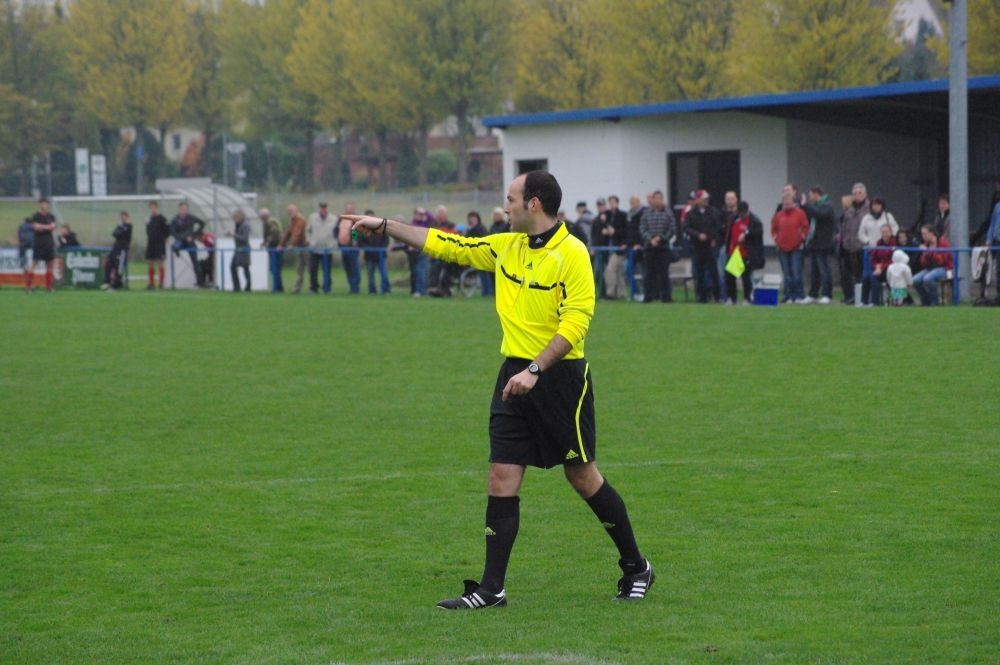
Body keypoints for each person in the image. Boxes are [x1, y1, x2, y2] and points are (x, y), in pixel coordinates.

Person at [344, 170, 654, 610]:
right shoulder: (506, 246)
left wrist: (535, 369)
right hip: (513, 376)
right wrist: (386, 226)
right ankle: (491, 590)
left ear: (533, 203)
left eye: (510, 198)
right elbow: (449, 244)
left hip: (560, 379)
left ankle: (637, 567)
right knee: (501, 476)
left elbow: (576, 323)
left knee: (582, 477)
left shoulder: (573, 253)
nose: (504, 206)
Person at [684, 189, 723, 303]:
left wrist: (714, 239)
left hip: (710, 246)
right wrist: (697, 235)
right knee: (699, 273)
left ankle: (717, 296)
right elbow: (686, 228)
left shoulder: (714, 212)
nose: (706, 200)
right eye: (704, 199)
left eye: (707, 198)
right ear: (697, 200)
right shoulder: (691, 213)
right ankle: (702, 297)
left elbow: (718, 227)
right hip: (697, 246)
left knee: (713, 272)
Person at [638, 190, 676, 303]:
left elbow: (672, 229)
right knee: (648, 273)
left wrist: (661, 238)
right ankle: (648, 296)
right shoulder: (646, 213)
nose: (658, 201)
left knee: (664, 273)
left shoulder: (668, 213)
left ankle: (665, 297)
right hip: (649, 247)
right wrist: (650, 239)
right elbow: (642, 228)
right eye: (656, 198)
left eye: (660, 198)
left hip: (663, 247)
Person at [800, 186, 836, 304]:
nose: (810, 198)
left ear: (816, 194)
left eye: (811, 195)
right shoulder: (814, 206)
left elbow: (819, 214)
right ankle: (813, 294)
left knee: (824, 270)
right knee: (814, 271)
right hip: (813, 243)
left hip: (823, 244)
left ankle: (827, 294)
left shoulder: (827, 205)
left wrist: (806, 205)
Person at [771, 193, 809, 303]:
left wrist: (801, 238)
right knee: (787, 274)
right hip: (782, 248)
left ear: (793, 203)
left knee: (796, 273)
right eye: (785, 203)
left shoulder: (800, 213)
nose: (787, 205)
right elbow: (774, 229)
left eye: (789, 203)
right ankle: (788, 296)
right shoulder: (779, 215)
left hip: (796, 248)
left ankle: (799, 295)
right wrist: (777, 239)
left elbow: (805, 227)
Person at [839, 183, 870, 304]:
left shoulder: (869, 209)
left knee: (862, 275)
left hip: (863, 247)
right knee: (847, 274)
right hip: (849, 247)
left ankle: (900, 299)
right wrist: (844, 241)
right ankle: (851, 297)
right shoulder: (849, 210)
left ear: (865, 194)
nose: (857, 195)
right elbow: (844, 227)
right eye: (855, 193)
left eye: (860, 193)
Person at [912, 224, 953, 306]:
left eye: (925, 234)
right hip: (930, 268)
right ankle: (926, 301)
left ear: (932, 233)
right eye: (922, 234)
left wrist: (930, 251)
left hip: (944, 268)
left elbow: (941, 261)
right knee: (915, 280)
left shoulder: (942, 242)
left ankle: (935, 301)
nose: (923, 236)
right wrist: (925, 254)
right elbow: (923, 263)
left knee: (928, 278)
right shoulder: (926, 244)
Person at [725, 201, 755, 305]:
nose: (742, 215)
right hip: (734, 252)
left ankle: (747, 298)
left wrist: (746, 235)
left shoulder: (752, 221)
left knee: (746, 277)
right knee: (729, 276)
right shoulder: (735, 219)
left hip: (746, 253)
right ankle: (731, 298)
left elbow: (756, 232)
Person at [24, 197, 57, 293]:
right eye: (43, 203)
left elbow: (53, 227)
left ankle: (49, 287)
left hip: (49, 243)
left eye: (46, 203)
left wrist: (42, 227)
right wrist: (46, 227)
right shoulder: (36, 216)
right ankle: (28, 287)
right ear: (39, 205)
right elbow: (35, 226)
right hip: (39, 243)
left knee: (50, 265)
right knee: (34, 264)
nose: (45, 205)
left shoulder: (51, 216)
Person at [170, 202, 206, 287]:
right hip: (181, 241)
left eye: (186, 209)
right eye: (182, 209)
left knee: (195, 262)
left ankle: (200, 282)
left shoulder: (191, 217)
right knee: (174, 247)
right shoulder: (174, 220)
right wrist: (183, 237)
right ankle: (177, 251)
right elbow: (173, 233)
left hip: (190, 242)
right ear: (179, 209)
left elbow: (202, 223)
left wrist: (194, 235)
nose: (184, 211)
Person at [600, 195, 630, 300]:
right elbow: (602, 227)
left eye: (613, 202)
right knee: (619, 272)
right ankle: (622, 294)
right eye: (610, 202)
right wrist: (605, 228)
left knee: (610, 270)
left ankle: (611, 293)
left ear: (617, 203)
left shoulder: (623, 215)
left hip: (619, 248)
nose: (611, 204)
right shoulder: (607, 215)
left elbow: (626, 231)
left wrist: (615, 231)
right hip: (609, 248)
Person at [861, 224, 896, 306]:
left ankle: (875, 302)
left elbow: (893, 259)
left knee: (874, 277)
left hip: (890, 270)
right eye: (883, 232)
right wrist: (877, 266)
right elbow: (873, 258)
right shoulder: (879, 243)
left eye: (886, 232)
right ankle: (863, 302)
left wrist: (881, 267)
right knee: (866, 277)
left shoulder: (894, 243)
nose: (884, 234)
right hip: (879, 269)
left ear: (891, 232)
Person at [307, 202, 338, 294]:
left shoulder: (334, 219)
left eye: (325, 208)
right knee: (312, 269)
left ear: (327, 208)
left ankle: (327, 288)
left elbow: (337, 232)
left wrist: (334, 243)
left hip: (327, 249)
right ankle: (314, 288)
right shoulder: (312, 217)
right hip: (315, 248)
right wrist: (308, 240)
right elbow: (307, 230)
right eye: (321, 208)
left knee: (327, 270)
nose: (323, 210)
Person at [360, 208, 391, 295]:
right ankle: (372, 290)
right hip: (369, 256)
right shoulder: (362, 229)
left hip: (381, 255)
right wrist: (368, 248)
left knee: (384, 273)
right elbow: (360, 242)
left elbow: (386, 240)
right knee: (370, 274)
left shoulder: (381, 227)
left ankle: (386, 290)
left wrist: (382, 248)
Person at [278, 204, 308, 294]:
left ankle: (313, 288)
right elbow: (288, 233)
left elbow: (298, 233)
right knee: (299, 269)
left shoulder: (300, 219)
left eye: (291, 211)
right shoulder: (292, 221)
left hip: (305, 247)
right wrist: (281, 244)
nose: (290, 213)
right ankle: (297, 289)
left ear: (296, 210)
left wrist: (292, 244)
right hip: (299, 247)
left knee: (310, 268)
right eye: (289, 211)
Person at [463, 211, 493, 296]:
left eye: (473, 218)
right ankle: (485, 291)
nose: (471, 220)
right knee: (482, 274)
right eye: (470, 218)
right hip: (477, 255)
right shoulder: (470, 230)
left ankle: (488, 291)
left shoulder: (481, 229)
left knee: (485, 274)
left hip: (483, 254)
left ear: (477, 219)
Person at [102, 210, 132, 290]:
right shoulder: (120, 225)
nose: (122, 218)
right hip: (115, 249)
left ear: (127, 217)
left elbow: (121, 233)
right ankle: (107, 282)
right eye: (121, 217)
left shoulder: (129, 226)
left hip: (123, 250)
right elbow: (114, 233)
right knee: (108, 264)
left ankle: (117, 285)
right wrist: (119, 229)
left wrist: (120, 230)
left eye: (124, 217)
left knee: (119, 267)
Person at [336, 202, 361, 294]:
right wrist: (338, 240)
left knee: (354, 268)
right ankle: (351, 286)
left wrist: (354, 240)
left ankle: (355, 288)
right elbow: (336, 230)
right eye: (347, 208)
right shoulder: (341, 219)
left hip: (352, 248)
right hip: (343, 247)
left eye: (351, 208)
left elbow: (356, 231)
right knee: (347, 268)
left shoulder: (356, 219)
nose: (349, 210)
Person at [145, 201, 171, 289]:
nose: (152, 210)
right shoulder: (149, 219)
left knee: (160, 263)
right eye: (151, 208)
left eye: (154, 208)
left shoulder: (162, 219)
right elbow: (147, 231)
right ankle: (151, 284)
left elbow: (168, 231)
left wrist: (163, 238)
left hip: (160, 244)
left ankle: (161, 283)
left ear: (157, 208)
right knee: (150, 263)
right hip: (151, 244)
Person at [259, 208, 283, 292]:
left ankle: (277, 288)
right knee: (275, 268)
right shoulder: (268, 222)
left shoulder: (270, 222)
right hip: (274, 247)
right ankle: (279, 287)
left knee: (275, 268)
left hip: (276, 248)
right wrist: (265, 242)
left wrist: (267, 242)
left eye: (261, 215)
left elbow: (274, 233)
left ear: (264, 216)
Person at [229, 209, 252, 292]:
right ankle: (237, 287)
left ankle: (248, 287)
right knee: (233, 267)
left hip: (244, 249)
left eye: (235, 218)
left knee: (245, 268)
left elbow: (244, 238)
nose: (234, 220)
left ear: (240, 217)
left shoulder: (246, 225)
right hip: (238, 249)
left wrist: (234, 235)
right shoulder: (238, 225)